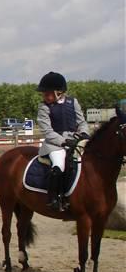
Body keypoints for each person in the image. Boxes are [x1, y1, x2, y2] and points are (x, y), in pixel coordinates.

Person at [36, 71, 89, 211]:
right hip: (54, 144)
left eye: (47, 93)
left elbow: (82, 122)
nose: (44, 96)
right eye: (44, 94)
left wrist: (84, 133)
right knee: (59, 165)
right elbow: (48, 132)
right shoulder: (44, 108)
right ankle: (55, 198)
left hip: (75, 141)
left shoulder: (73, 102)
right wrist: (64, 142)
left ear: (59, 92)